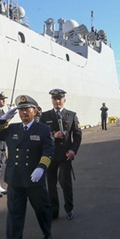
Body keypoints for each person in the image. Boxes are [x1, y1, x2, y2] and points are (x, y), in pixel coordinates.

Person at [0, 94, 55, 239]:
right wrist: (3, 118)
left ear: (35, 111)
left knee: (42, 209)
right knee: (14, 216)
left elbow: (48, 151)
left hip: (34, 180)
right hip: (15, 180)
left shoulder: (43, 129)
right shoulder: (12, 128)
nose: (24, 113)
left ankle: (46, 231)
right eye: (21, 110)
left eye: (27, 109)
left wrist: (41, 167)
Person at [40, 89, 82, 220]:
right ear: (52, 100)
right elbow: (41, 135)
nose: (57, 101)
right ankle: (54, 210)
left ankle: (69, 208)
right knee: (51, 184)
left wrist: (73, 150)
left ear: (64, 100)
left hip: (65, 155)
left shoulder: (71, 115)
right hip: (50, 156)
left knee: (65, 182)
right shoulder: (45, 116)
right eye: (55, 99)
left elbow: (78, 135)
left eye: (60, 99)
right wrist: (53, 135)